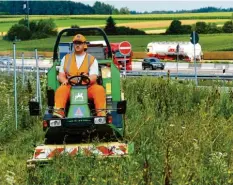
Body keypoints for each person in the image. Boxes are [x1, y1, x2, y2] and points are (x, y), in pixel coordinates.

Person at [53, 34, 106, 118]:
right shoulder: (66, 58)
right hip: (70, 87)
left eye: (80, 43)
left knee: (99, 90)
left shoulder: (91, 59)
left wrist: (87, 78)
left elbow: (94, 76)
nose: (77, 45)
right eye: (75, 43)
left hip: (88, 88)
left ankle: (100, 113)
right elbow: (61, 75)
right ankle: (59, 112)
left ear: (84, 44)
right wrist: (64, 81)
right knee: (61, 90)